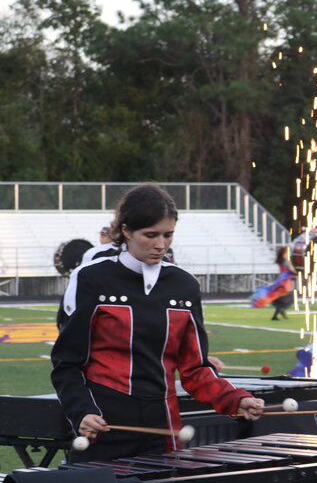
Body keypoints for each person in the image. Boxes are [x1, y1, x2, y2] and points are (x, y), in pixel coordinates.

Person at [51, 184, 264, 463]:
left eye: (168, 235)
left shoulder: (184, 286)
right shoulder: (91, 279)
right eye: (150, 235)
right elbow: (67, 364)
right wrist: (82, 412)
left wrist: (234, 399)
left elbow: (195, 369)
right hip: (101, 426)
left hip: (163, 429)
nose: (160, 245)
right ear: (126, 231)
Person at [271, 246, 296, 320]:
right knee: (289, 298)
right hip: (286, 282)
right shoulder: (286, 261)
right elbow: (291, 270)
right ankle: (280, 311)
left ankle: (278, 313)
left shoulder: (281, 260)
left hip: (281, 280)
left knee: (282, 298)